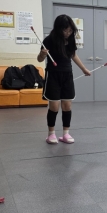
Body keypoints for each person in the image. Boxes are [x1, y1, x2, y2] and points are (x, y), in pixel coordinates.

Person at [37, 14, 91, 144]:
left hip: (67, 75)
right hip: (53, 75)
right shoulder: (49, 40)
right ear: (58, 28)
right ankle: (51, 134)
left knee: (67, 106)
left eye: (70, 30)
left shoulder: (70, 40)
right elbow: (39, 59)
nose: (68, 33)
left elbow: (73, 55)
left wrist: (83, 69)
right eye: (65, 30)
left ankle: (66, 133)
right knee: (54, 106)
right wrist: (42, 54)